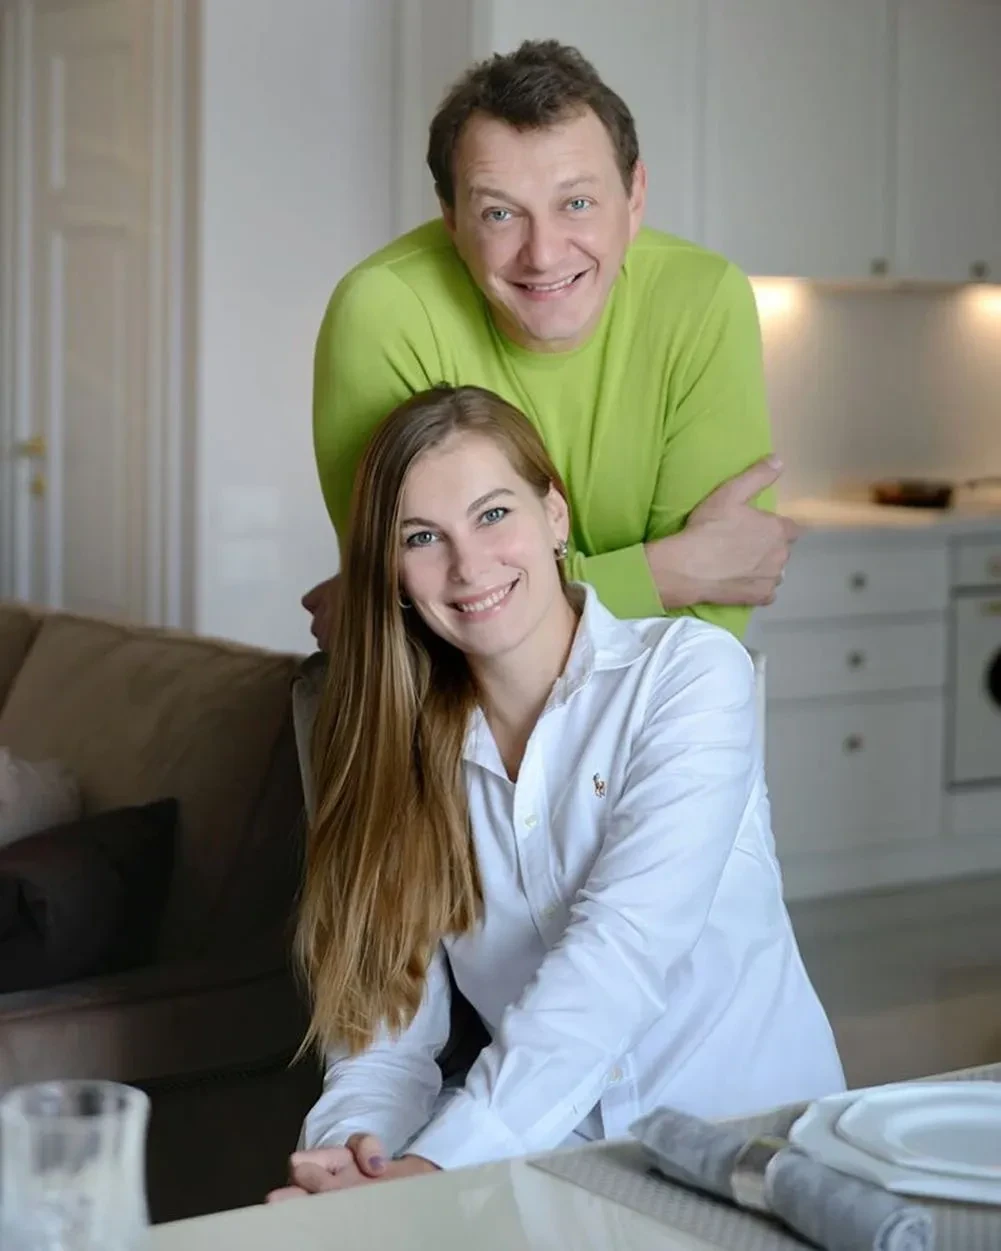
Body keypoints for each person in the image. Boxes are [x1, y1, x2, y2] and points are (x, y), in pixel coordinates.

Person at [269, 385, 843, 1202]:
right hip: (558, 1170)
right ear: (391, 573)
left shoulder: (687, 676)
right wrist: (354, 1161)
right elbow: (382, 1040)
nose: (468, 565)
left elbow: (621, 952)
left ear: (554, 516)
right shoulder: (397, 753)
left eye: (493, 514)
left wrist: (436, 1163)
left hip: (757, 1148)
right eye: (422, 537)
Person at [302, 39, 799, 651]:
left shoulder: (704, 299)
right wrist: (666, 572)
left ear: (635, 196)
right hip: (450, 708)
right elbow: (410, 616)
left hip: (671, 700)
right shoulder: (385, 310)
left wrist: (496, 603)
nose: (543, 254)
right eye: (500, 214)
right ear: (451, 218)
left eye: (577, 203)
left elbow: (704, 632)